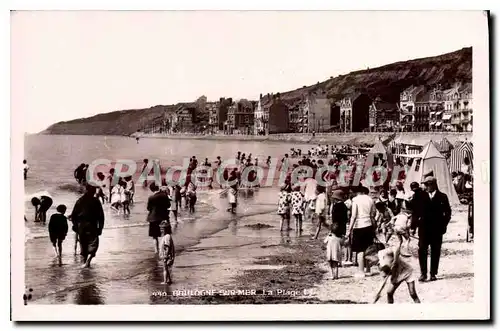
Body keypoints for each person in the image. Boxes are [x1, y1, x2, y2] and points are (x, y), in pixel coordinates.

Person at [412, 176, 451, 282]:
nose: (426, 187)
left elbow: (448, 213)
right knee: (422, 251)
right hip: (424, 229)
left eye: (428, 184)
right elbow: (415, 212)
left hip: (437, 230)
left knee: (435, 251)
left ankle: (433, 273)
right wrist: (413, 227)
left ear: (433, 184)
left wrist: (443, 225)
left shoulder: (442, 197)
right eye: (425, 184)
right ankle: (423, 273)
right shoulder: (420, 196)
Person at [70, 184, 105, 268]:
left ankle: (84, 263)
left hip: (81, 226)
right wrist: (100, 227)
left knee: (83, 244)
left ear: (86, 190)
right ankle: (88, 261)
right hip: (92, 225)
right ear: (92, 191)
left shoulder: (80, 200)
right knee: (93, 244)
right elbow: (101, 216)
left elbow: (73, 215)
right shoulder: (96, 201)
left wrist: (75, 226)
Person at [348, 186, 376, 278]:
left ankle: (360, 271)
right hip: (369, 224)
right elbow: (373, 214)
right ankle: (368, 270)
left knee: (360, 250)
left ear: (357, 192)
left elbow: (353, 216)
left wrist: (350, 229)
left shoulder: (355, 200)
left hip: (359, 225)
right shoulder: (370, 199)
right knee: (368, 248)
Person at [147, 182, 171, 254]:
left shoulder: (151, 198)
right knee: (166, 233)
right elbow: (168, 205)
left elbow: (148, 208)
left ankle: (156, 251)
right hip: (163, 217)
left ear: (151, 190)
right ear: (158, 188)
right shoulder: (164, 196)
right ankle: (165, 247)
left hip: (153, 218)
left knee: (155, 236)